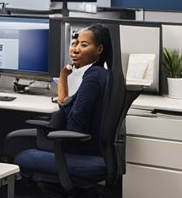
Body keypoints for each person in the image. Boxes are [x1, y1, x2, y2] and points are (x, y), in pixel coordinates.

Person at [8, 23, 114, 170]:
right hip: (89, 147)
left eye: (84, 45)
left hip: (77, 148)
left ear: (99, 49)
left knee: (15, 146)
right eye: (75, 44)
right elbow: (64, 103)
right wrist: (63, 76)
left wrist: (62, 120)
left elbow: (75, 125)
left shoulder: (93, 77)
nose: (76, 50)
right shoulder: (101, 73)